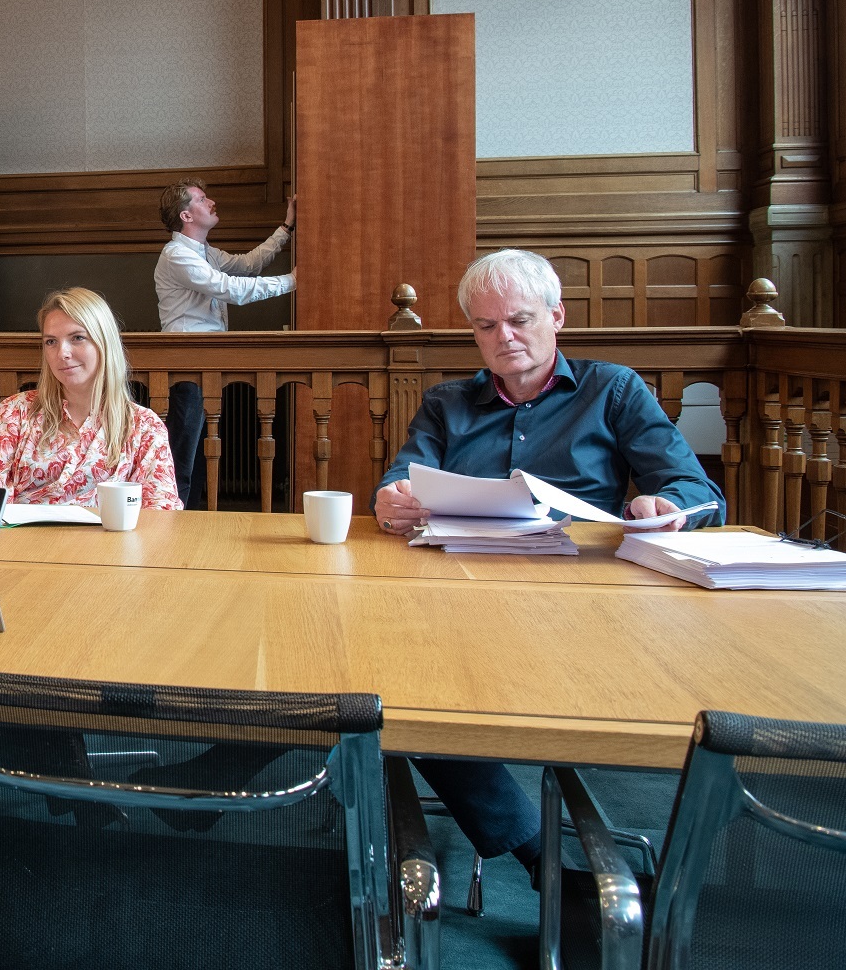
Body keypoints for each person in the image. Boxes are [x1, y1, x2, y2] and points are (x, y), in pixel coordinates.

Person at [372, 248, 726, 886]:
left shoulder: (613, 389)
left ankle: (543, 856)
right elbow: (402, 481)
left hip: (578, 603)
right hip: (456, 596)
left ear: (556, 316)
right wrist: (390, 500)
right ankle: (543, 858)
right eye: (486, 326)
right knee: (388, 673)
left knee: (408, 683)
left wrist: (668, 506)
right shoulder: (446, 403)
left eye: (519, 320)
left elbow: (701, 493)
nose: (504, 337)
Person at [0, 286, 183, 510]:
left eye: (77, 338)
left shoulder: (144, 427)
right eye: (51, 342)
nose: (62, 353)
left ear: (104, 343)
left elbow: (161, 514)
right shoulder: (12, 414)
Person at [153, 180, 297, 508]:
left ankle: (191, 520)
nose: (212, 202)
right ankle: (172, 520)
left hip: (207, 361)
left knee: (201, 455)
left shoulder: (205, 253)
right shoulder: (176, 255)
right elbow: (230, 289)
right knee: (184, 455)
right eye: (203, 199)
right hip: (187, 364)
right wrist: (292, 281)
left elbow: (248, 265)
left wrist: (286, 227)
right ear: (186, 215)